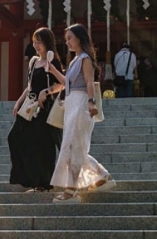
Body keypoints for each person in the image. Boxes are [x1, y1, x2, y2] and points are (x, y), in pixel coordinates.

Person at [45, 23, 116, 203]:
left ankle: (72, 190)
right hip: (72, 104)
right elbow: (66, 83)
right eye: (66, 39)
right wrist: (52, 70)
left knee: (73, 146)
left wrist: (91, 102)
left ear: (79, 38)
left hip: (81, 104)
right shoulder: (75, 60)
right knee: (74, 147)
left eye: (70, 38)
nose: (67, 42)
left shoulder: (85, 59)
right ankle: (102, 177)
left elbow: (89, 82)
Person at [8, 27, 65, 192]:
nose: (36, 45)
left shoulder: (52, 61)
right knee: (15, 138)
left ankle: (43, 183)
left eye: (39, 42)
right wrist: (18, 102)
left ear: (47, 42)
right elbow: (29, 86)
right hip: (29, 107)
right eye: (34, 42)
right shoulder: (33, 62)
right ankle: (28, 178)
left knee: (43, 145)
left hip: (44, 108)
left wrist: (46, 92)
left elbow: (61, 84)